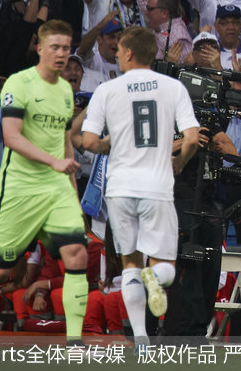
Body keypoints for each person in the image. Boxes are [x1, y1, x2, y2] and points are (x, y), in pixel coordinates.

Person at [0, 21, 87, 346]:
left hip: (56, 189)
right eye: (55, 47)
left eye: (66, 49)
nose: (61, 55)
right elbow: (11, 137)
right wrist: (54, 161)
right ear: (40, 48)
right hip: (20, 190)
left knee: (77, 254)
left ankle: (74, 343)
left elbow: (65, 143)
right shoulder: (20, 83)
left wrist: (71, 192)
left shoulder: (66, 92)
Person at [82, 26, 200, 346]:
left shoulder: (108, 90)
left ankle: (142, 340)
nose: (117, 54)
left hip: (119, 189)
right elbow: (191, 138)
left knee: (130, 264)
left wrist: (109, 144)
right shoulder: (173, 87)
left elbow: (89, 141)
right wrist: (180, 162)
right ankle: (155, 278)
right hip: (157, 187)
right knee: (168, 271)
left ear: (130, 53)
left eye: (119, 49)